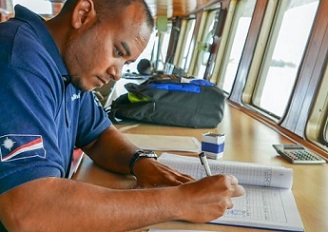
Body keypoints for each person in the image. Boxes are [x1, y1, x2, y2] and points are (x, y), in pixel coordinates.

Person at [0, 0, 245, 231]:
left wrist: (141, 163)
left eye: (127, 63)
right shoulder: (18, 59)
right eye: (118, 51)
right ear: (83, 14)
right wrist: (180, 201)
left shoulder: (70, 67)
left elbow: (97, 135)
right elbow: (30, 211)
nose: (118, 74)